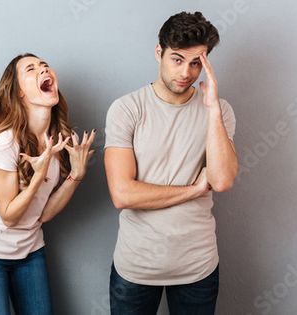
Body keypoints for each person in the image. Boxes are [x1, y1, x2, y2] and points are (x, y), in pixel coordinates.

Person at [104, 11, 238, 315]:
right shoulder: (127, 109)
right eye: (177, 59)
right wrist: (192, 190)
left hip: (198, 266)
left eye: (196, 63)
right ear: (158, 53)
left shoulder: (219, 111)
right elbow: (123, 194)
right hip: (136, 267)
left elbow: (222, 180)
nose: (187, 72)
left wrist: (212, 109)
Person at [0, 53, 95, 315]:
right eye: (31, 69)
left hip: (30, 250)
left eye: (44, 66)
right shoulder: (6, 142)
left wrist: (75, 176)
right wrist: (37, 177)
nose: (43, 69)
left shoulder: (55, 141)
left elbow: (41, 214)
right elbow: (9, 216)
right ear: (19, 92)